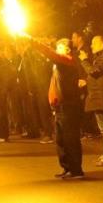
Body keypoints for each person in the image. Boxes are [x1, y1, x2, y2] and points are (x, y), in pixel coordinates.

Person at [34, 38, 85, 179]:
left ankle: (76, 170)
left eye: (59, 47)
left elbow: (49, 53)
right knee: (61, 140)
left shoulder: (67, 60)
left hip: (69, 105)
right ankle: (67, 167)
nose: (57, 50)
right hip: (60, 106)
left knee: (70, 139)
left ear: (67, 49)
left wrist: (31, 40)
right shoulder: (59, 64)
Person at [79, 35, 103, 164]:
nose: (91, 46)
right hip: (100, 96)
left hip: (102, 97)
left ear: (102, 43)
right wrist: (87, 81)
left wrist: (84, 61)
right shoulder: (102, 57)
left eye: (94, 43)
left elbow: (95, 71)